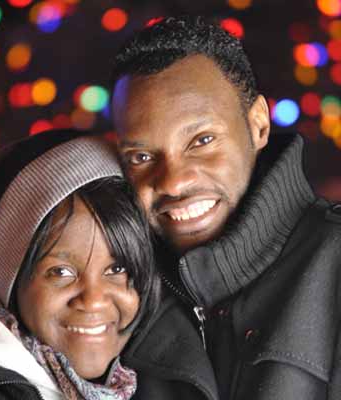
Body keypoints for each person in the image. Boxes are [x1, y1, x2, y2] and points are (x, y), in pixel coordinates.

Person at [111, 15, 341, 400]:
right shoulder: (120, 298)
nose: (173, 181)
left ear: (258, 126)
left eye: (201, 140)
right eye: (141, 156)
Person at [0, 129, 164, 399]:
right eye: (61, 272)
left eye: (116, 269)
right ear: (8, 280)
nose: (93, 300)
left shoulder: (157, 369)